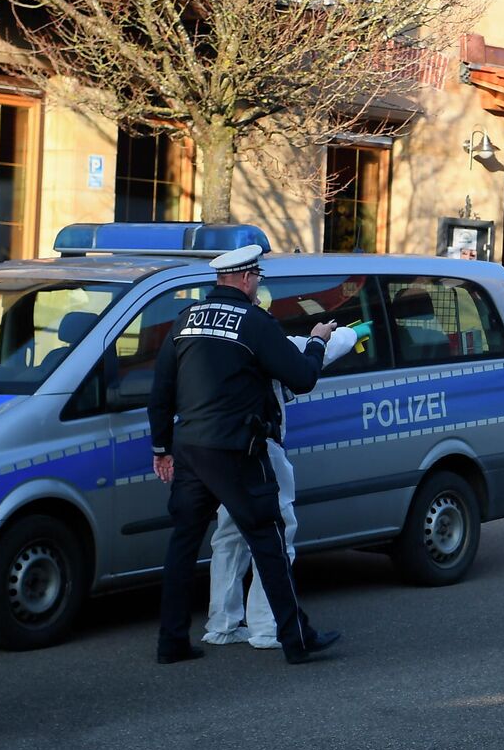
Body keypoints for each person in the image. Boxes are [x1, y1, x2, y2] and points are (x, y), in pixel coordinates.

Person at [148, 244, 342, 666]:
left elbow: (161, 390)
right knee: (269, 540)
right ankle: (297, 640)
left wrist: (162, 448)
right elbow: (303, 378)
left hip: (190, 448)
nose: (258, 285)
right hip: (236, 451)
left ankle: (172, 642)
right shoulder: (254, 323)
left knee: (183, 544)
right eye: (258, 278)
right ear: (247, 277)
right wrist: (316, 342)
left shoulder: (185, 320)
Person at [205, 316, 360, 649]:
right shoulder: (274, 343)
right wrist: (326, 333)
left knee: (230, 533)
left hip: (220, 448)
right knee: (277, 535)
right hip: (261, 449)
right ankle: (266, 626)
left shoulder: (215, 341)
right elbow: (340, 343)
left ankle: (222, 624)